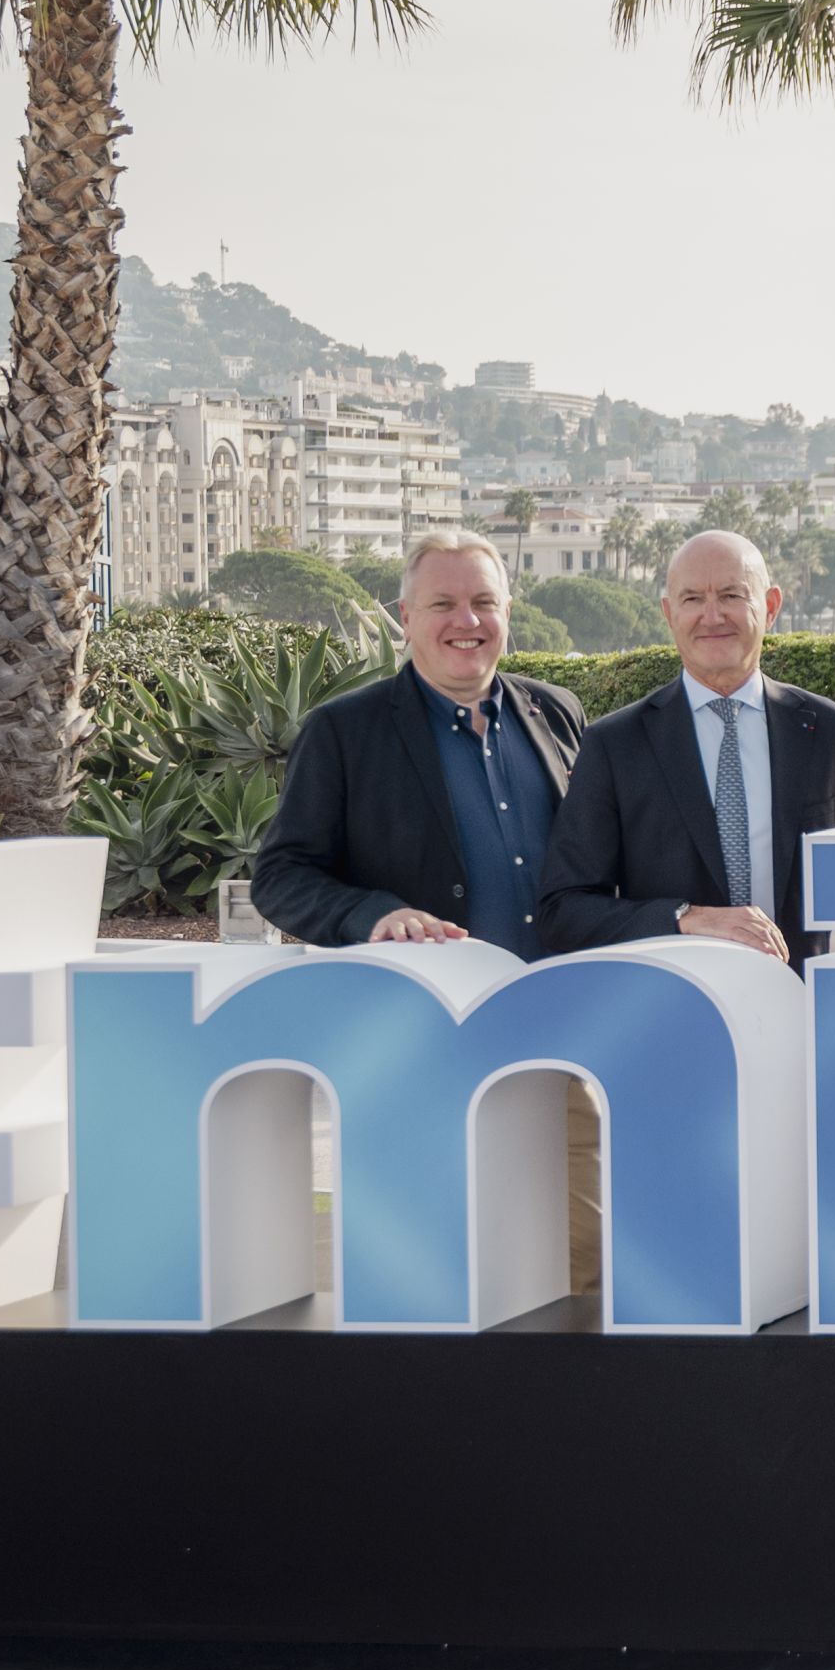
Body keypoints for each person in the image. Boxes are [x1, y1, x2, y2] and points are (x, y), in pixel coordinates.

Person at [252, 532, 598, 1287]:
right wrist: (374, 915)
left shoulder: (559, 713)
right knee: (435, 1271)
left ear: (508, 612)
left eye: (483, 602)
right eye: (442, 603)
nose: (464, 621)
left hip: (558, 1046)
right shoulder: (345, 732)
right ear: (405, 616)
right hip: (423, 1049)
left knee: (579, 1266)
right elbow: (280, 875)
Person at [537, 530, 835, 971]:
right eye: (692, 599)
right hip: (676, 1013)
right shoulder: (616, 745)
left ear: (771, 606)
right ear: (669, 613)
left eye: (732, 595)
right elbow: (563, 910)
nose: (712, 616)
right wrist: (685, 918)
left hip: (809, 1007)